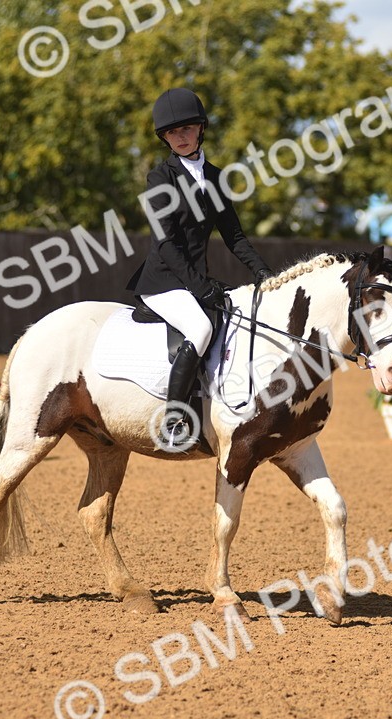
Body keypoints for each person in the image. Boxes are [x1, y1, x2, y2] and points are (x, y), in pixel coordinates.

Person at [128, 87, 275, 449]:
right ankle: (175, 418)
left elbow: (235, 236)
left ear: (201, 129)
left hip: (194, 280)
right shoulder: (160, 179)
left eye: (186, 128)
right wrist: (201, 287)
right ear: (164, 137)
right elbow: (166, 244)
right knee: (200, 327)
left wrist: (265, 274)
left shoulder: (215, 178)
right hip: (163, 281)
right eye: (171, 132)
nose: (180, 137)